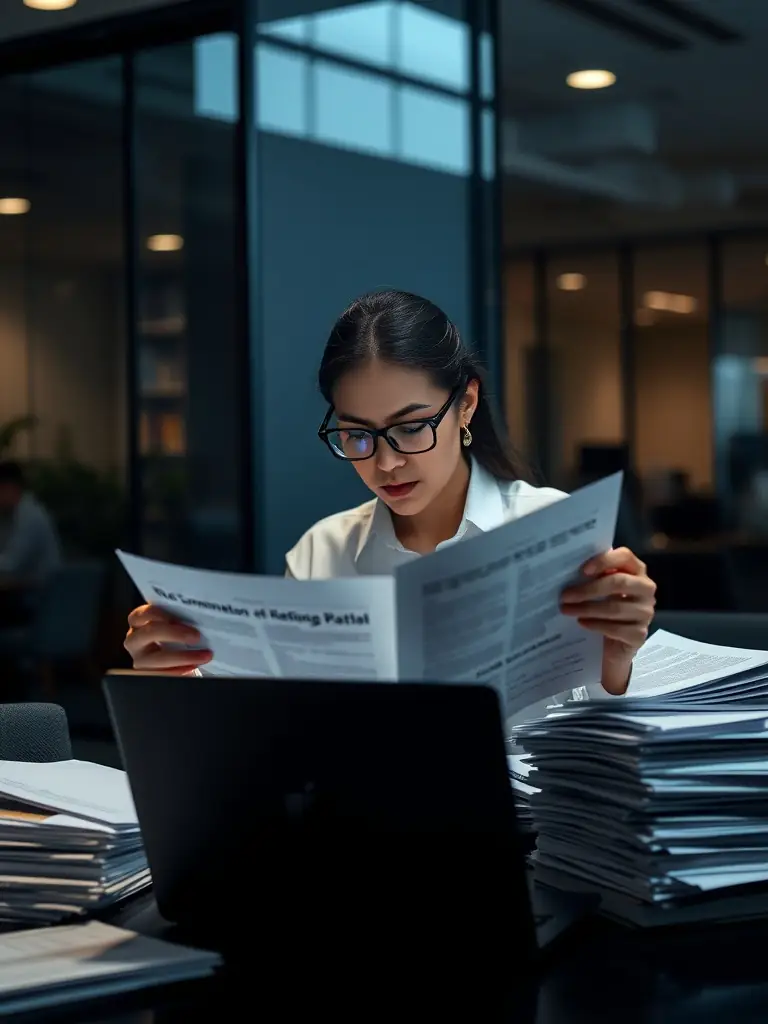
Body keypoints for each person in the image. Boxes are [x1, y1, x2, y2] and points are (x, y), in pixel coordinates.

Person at [124, 290, 656, 692]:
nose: (386, 462)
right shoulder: (324, 551)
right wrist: (178, 673)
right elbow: (275, 721)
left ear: (465, 404)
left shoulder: (550, 528)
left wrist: (618, 659)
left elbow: (603, 735)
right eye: (357, 435)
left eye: (410, 426)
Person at [0, 460, 61, 586]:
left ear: (10, 488)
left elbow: (11, 564)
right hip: (26, 592)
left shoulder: (29, 517)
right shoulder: (10, 515)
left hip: (41, 596)